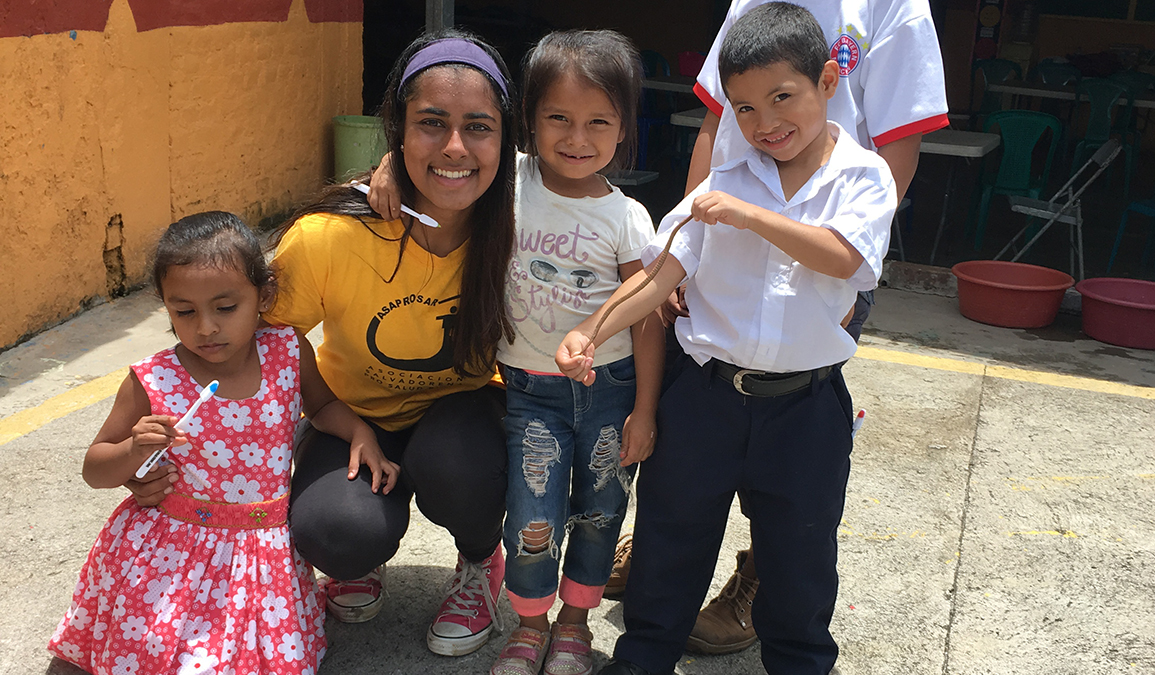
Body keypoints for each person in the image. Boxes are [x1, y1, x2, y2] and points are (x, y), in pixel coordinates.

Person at [124, 29, 519, 658]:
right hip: (353, 421)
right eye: (430, 123)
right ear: (396, 130)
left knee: (459, 461)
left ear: (505, 137)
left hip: (465, 421)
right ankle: (358, 557)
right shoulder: (328, 237)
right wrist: (176, 465)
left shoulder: (527, 231)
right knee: (335, 528)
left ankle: (478, 563)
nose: (454, 146)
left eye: (478, 126)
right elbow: (242, 345)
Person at [557, 4, 897, 674]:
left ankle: (799, 662)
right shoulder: (724, 183)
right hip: (706, 398)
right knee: (669, 542)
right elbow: (659, 276)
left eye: (782, 98)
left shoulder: (863, 177)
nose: (764, 124)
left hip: (805, 409)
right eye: (742, 108)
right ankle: (642, 659)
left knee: (798, 561)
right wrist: (589, 329)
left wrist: (752, 216)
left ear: (828, 82)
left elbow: (843, 258)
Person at [48, 211, 399, 675]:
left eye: (225, 307)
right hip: (173, 554)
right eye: (184, 312)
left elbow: (321, 406)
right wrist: (133, 451)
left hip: (261, 554)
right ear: (165, 306)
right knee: (160, 650)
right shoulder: (154, 378)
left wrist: (360, 433)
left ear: (263, 296)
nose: (206, 327)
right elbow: (95, 468)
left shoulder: (288, 352)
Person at [487, 30, 663, 675]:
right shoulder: (508, 179)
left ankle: (574, 625)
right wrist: (391, 166)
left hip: (612, 391)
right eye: (558, 117)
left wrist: (644, 411)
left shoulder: (628, 218)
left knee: (599, 512)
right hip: (531, 392)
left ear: (622, 130)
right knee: (532, 517)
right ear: (529, 118)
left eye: (598, 122)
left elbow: (648, 321)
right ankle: (529, 627)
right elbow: (445, 164)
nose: (576, 138)